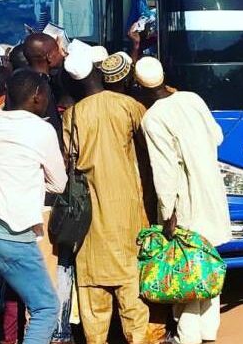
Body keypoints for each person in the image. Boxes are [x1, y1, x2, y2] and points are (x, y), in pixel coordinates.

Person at [0, 69, 66, 344]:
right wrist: (29, 182)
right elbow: (59, 184)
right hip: (12, 232)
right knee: (46, 307)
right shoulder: (41, 129)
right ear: (36, 97)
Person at [136, 57, 231, 344]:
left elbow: (165, 171)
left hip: (185, 201)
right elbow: (217, 136)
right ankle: (208, 331)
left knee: (186, 268)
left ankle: (187, 336)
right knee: (209, 263)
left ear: (139, 87)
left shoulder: (151, 119)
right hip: (212, 191)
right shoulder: (192, 98)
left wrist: (168, 213)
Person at [61, 42, 150, 344]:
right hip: (126, 208)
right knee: (131, 287)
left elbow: (67, 159)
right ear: (100, 71)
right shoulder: (127, 105)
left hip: (89, 214)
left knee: (92, 293)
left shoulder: (70, 117)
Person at [23, 32, 73, 343]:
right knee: (56, 263)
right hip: (47, 194)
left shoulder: (21, 85)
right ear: (47, 55)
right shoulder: (43, 93)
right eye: (57, 49)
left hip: (25, 195)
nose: (62, 53)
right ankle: (57, 329)